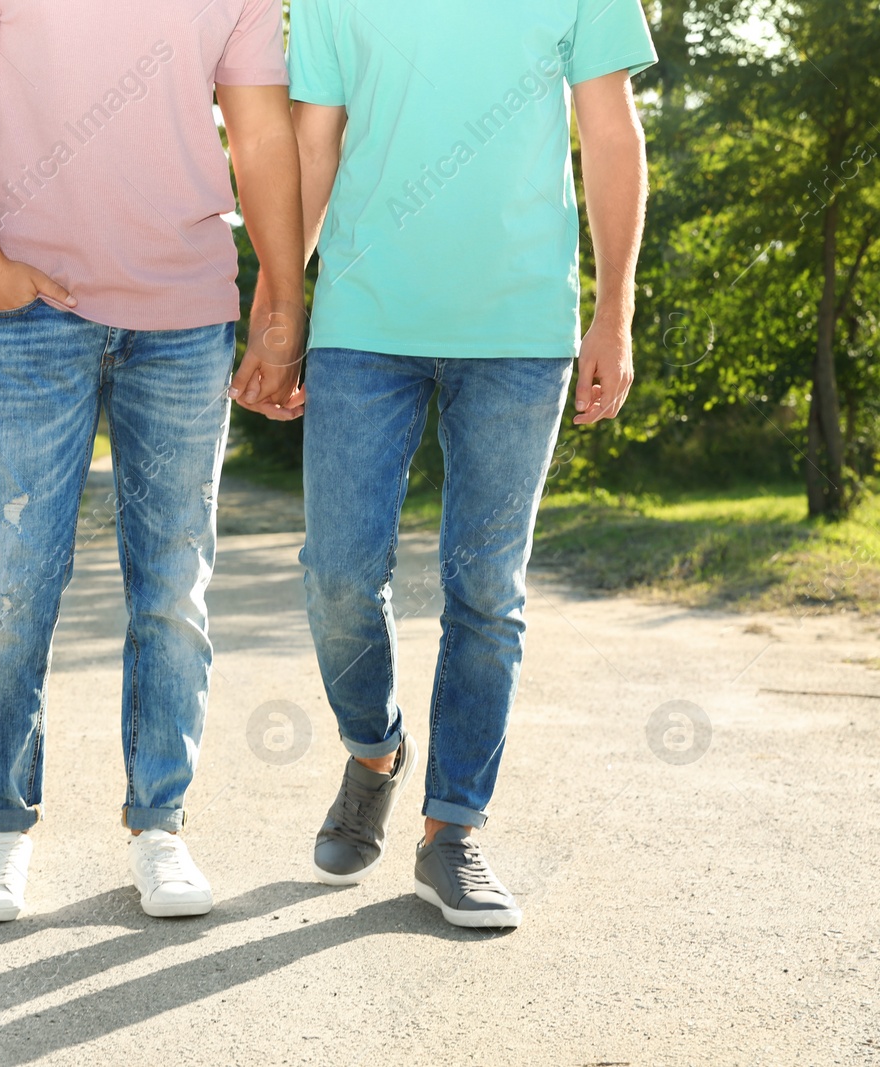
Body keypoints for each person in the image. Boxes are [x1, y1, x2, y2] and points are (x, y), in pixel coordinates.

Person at [0, 0, 305, 922]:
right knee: (13, 587)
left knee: (174, 590)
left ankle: (161, 825)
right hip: (31, 316)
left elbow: (260, 136)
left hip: (185, 318)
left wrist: (282, 300)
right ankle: (4, 828)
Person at [287, 0, 656, 927]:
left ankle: (451, 828)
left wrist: (615, 312)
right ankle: (374, 750)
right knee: (337, 574)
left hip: (518, 326)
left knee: (487, 589)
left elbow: (610, 133)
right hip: (363, 318)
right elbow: (313, 144)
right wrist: (279, 299)